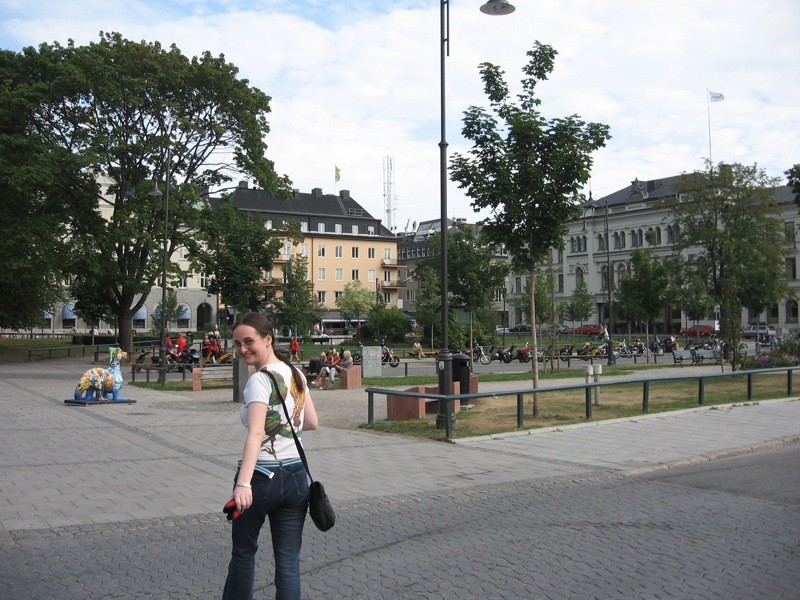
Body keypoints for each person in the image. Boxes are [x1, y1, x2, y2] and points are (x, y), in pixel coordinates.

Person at [222, 311, 318, 600]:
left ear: (268, 339)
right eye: (237, 344)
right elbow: (312, 422)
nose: (242, 349)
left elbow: (254, 434)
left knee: (243, 553)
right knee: (288, 561)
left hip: (262, 478)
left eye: (249, 342)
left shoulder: (260, 381)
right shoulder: (295, 373)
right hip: (296, 478)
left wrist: (243, 483)